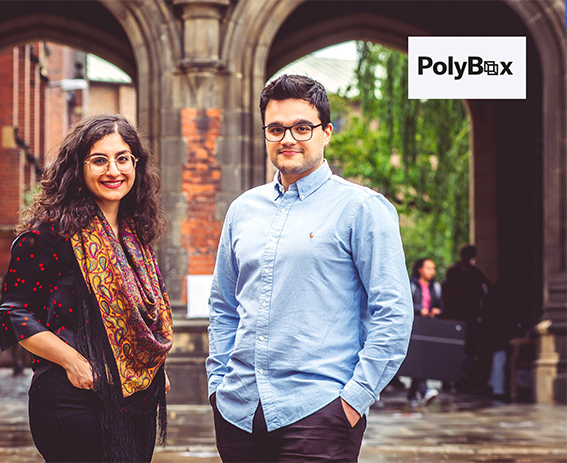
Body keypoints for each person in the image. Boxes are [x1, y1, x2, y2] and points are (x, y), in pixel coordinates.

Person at [206, 74, 413, 462]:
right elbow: (223, 306)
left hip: (319, 412)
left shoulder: (362, 209)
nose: (288, 139)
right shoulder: (242, 210)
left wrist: (354, 400)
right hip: (239, 413)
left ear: (327, 132)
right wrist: (217, 386)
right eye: (276, 129)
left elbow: (394, 312)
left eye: (302, 127)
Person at [0, 114, 173, 463]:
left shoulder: (135, 236)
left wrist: (149, 364)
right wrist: (73, 362)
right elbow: (14, 314)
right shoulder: (48, 234)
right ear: (78, 167)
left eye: (123, 158)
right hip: (71, 395)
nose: (113, 171)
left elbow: (138, 317)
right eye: (100, 160)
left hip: (134, 401)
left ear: (136, 165)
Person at [443, 244, 492, 392]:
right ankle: (448, 379)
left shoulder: (475, 273)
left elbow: (487, 291)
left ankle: (463, 379)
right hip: (454, 316)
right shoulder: (453, 272)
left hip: (469, 316)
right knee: (452, 347)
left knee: (468, 348)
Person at [408, 258, 443, 406]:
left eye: (433, 269)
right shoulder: (412, 285)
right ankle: (424, 391)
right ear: (420, 269)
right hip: (415, 326)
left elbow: (441, 306)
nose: (432, 272)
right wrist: (418, 310)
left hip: (430, 327)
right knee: (418, 358)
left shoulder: (435, 287)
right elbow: (407, 304)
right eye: (428, 268)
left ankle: (413, 394)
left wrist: (436, 311)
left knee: (423, 359)